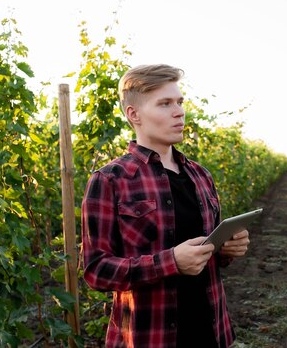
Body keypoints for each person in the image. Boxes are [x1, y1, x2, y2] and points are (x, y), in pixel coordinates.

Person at [81, 64, 250, 347]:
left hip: (210, 332)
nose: (179, 111)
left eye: (180, 102)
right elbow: (96, 271)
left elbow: (207, 254)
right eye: (165, 104)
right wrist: (169, 262)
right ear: (133, 115)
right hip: (149, 337)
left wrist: (226, 249)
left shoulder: (201, 175)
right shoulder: (111, 180)